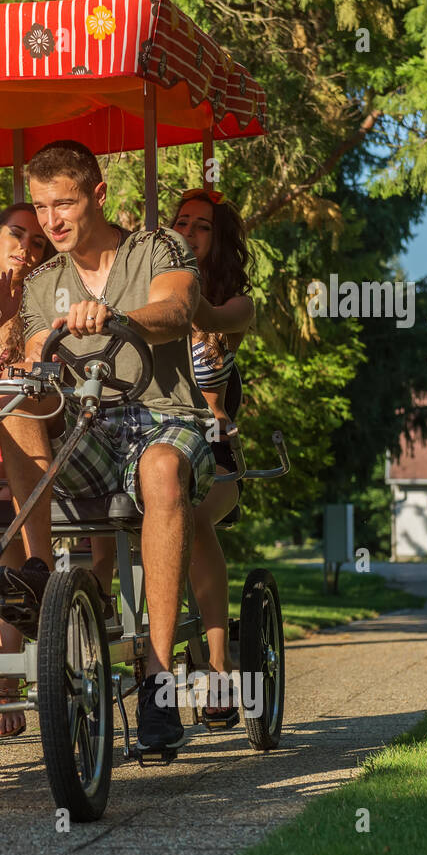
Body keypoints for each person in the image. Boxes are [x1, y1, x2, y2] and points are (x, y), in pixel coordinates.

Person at [0, 139, 214, 756]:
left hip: (164, 416)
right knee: (19, 397)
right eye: (40, 207)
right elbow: (34, 351)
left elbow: (177, 307)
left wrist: (117, 320)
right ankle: (37, 569)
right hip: (88, 429)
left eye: (64, 203)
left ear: (98, 195)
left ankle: (158, 677)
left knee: (164, 469)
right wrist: (25, 349)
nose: (52, 221)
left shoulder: (154, 247)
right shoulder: (44, 282)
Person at [171, 188, 254, 719]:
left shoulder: (235, 306)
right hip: (153, 445)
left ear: (217, 239)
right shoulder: (149, 288)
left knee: (192, 517)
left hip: (215, 456)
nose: (188, 231)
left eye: (201, 226)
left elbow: (202, 317)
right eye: (180, 222)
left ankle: (220, 668)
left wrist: (174, 291)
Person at [0, 203, 54, 737]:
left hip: (27, 442)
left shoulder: (45, 302)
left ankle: (6, 682)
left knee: (9, 534)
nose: (26, 250)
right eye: (17, 236)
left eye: (38, 243)